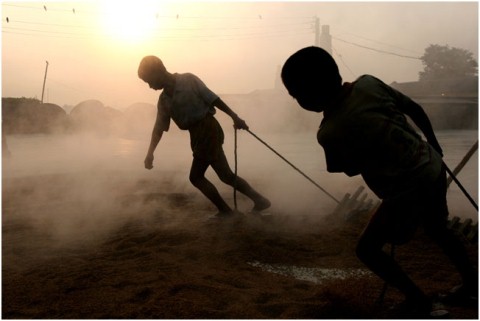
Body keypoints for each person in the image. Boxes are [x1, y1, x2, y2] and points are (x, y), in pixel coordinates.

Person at [281, 46, 477, 317]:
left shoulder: (328, 132)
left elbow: (345, 169)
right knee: (437, 228)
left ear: (307, 97)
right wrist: (434, 144)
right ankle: (472, 286)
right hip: (431, 166)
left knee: (367, 249)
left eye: (295, 95)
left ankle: (419, 301)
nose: (297, 101)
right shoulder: (369, 83)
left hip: (406, 189)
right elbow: (414, 109)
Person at [138, 55, 270, 218]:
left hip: (208, 129)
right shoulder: (164, 100)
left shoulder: (188, 80)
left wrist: (234, 116)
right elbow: (159, 128)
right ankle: (260, 200)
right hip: (197, 135)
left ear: (158, 72)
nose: (150, 86)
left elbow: (213, 99)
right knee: (226, 176)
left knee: (196, 177)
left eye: (149, 81)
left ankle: (226, 211)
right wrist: (150, 152)